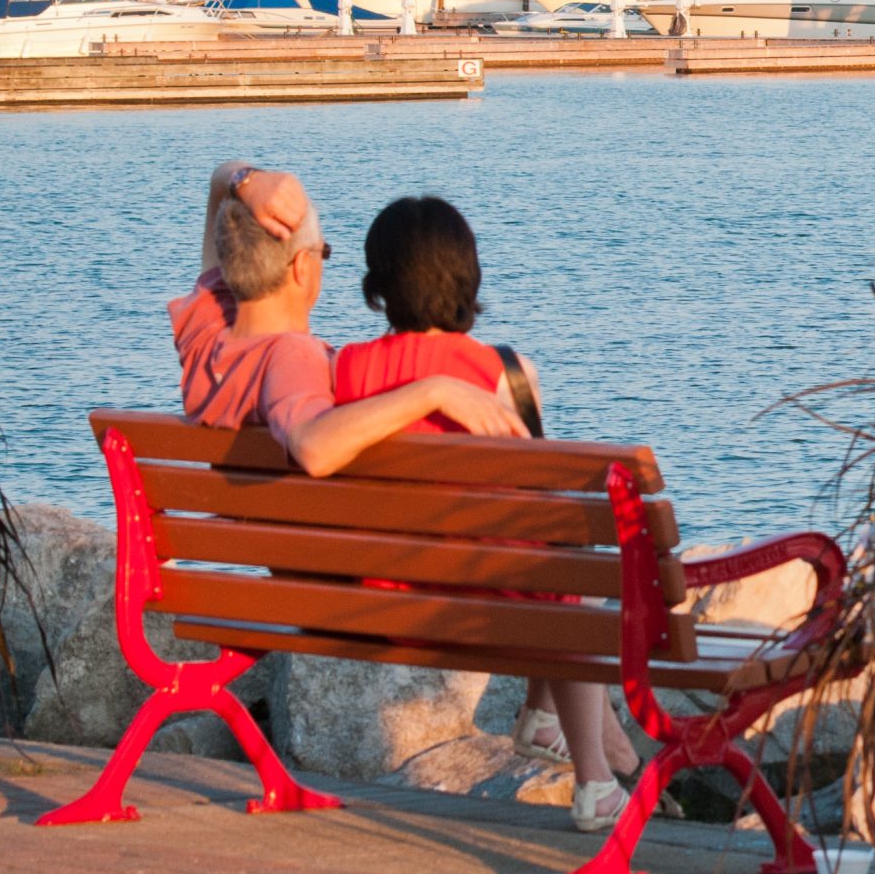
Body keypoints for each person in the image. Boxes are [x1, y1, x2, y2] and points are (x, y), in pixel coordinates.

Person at [331, 195, 639, 834]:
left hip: (382, 590)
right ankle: (596, 780)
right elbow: (541, 508)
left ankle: (549, 722)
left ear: (377, 285)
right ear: (468, 277)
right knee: (566, 577)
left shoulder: (344, 370)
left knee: (550, 572)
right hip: (485, 599)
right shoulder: (506, 372)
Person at [172, 162, 526, 473]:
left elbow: (220, 192)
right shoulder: (293, 358)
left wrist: (246, 182)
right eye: (322, 251)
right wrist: (435, 390)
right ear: (301, 267)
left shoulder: (204, 337)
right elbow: (314, 449)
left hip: (243, 543)